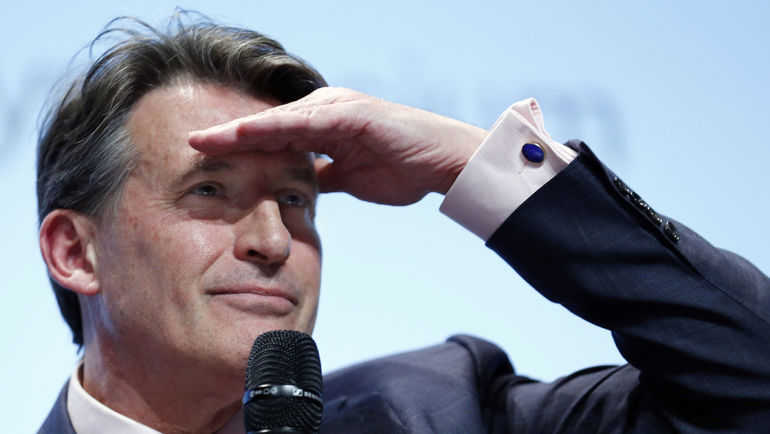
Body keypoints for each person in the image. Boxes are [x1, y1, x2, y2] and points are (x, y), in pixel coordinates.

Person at [37, 14, 770, 434]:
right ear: (76, 252)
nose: (273, 241)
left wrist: (472, 165)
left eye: (294, 200)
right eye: (208, 191)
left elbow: (751, 381)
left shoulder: (437, 411)